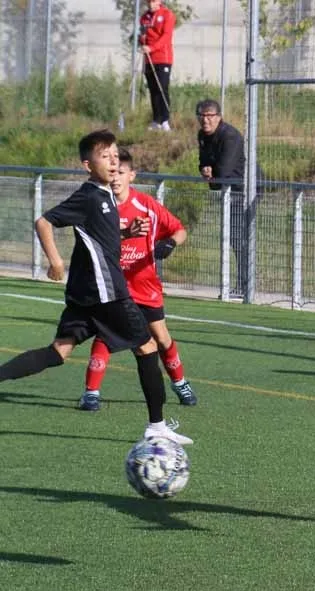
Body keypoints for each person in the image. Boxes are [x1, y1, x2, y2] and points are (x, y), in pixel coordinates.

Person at [0, 130, 192, 445]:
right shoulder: (90, 195)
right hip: (107, 293)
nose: (113, 161)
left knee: (59, 351)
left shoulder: (104, 195)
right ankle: (156, 426)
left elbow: (98, 237)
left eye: (115, 155)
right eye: (105, 156)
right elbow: (43, 222)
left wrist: (127, 232)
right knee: (147, 347)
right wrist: (55, 261)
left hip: (85, 295)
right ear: (88, 165)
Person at [78, 148, 198, 412]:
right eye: (112, 172)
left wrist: (169, 243)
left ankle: (180, 383)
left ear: (131, 175)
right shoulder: (99, 206)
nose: (115, 177)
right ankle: (91, 393)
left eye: (120, 172)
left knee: (162, 338)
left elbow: (179, 230)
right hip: (114, 287)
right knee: (105, 336)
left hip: (145, 287)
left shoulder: (146, 205)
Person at [196, 98, 248, 295]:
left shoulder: (230, 136)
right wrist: (206, 170)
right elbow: (203, 162)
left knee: (237, 236)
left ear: (219, 117)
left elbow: (224, 170)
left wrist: (212, 173)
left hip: (244, 189)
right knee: (233, 237)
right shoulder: (202, 135)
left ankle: (244, 286)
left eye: (210, 116)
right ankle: (242, 285)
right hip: (228, 190)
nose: (205, 120)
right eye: (202, 116)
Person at [138, 0, 175, 132]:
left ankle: (165, 120)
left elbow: (166, 36)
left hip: (163, 58)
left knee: (162, 88)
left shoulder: (167, 14)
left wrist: (152, 48)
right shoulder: (144, 17)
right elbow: (143, 38)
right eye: (148, 1)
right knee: (153, 89)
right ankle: (156, 120)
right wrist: (142, 40)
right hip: (149, 59)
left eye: (153, 1)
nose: (150, 4)